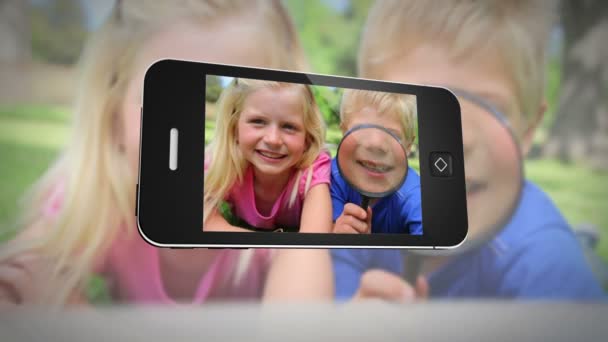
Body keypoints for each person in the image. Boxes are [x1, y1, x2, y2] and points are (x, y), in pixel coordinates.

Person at [0, 0, 332, 307]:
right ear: (112, 113)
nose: (189, 145)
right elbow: (21, 278)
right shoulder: (100, 195)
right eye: (167, 103)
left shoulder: (288, 208)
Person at [333, 0, 605, 300]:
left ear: (528, 131)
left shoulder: (545, 258)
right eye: (425, 102)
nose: (459, 139)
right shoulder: (360, 208)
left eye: (490, 108)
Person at [203, 78, 332, 233]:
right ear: (234, 128)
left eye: (289, 126)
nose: (273, 140)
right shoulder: (223, 163)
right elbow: (202, 219)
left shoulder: (313, 169)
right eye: (258, 121)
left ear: (307, 137)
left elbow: (315, 241)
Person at [331, 89, 422, 235]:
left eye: (393, 135)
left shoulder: (414, 194)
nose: (375, 144)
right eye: (361, 129)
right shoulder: (332, 176)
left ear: (408, 146)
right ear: (343, 132)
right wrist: (336, 233)